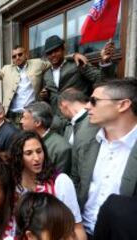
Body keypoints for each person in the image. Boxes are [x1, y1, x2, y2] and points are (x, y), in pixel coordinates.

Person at [70, 79, 137, 238]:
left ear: (122, 105)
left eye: (94, 101)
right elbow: (76, 180)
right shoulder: (84, 138)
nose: (87, 106)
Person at [0, 45, 87, 126]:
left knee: (30, 141)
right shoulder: (6, 69)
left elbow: (54, 60)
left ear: (26, 55)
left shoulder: (38, 63)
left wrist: (73, 56)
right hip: (12, 114)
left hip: (31, 113)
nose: (17, 58)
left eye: (20, 54)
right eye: (14, 56)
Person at [10, 131, 86, 240]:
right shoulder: (12, 185)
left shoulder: (60, 182)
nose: (37, 158)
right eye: (29, 153)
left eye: (39, 151)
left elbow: (77, 228)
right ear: (17, 156)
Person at [41, 35, 115, 131]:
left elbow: (101, 79)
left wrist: (105, 62)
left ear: (63, 50)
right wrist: (44, 96)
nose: (53, 55)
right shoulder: (46, 74)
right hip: (58, 124)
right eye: (49, 53)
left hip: (81, 120)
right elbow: (49, 96)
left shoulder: (77, 63)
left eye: (56, 51)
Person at [21, 102, 72, 173]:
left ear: (37, 123)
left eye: (25, 118)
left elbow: (59, 179)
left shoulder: (61, 148)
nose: (21, 121)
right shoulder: (23, 140)